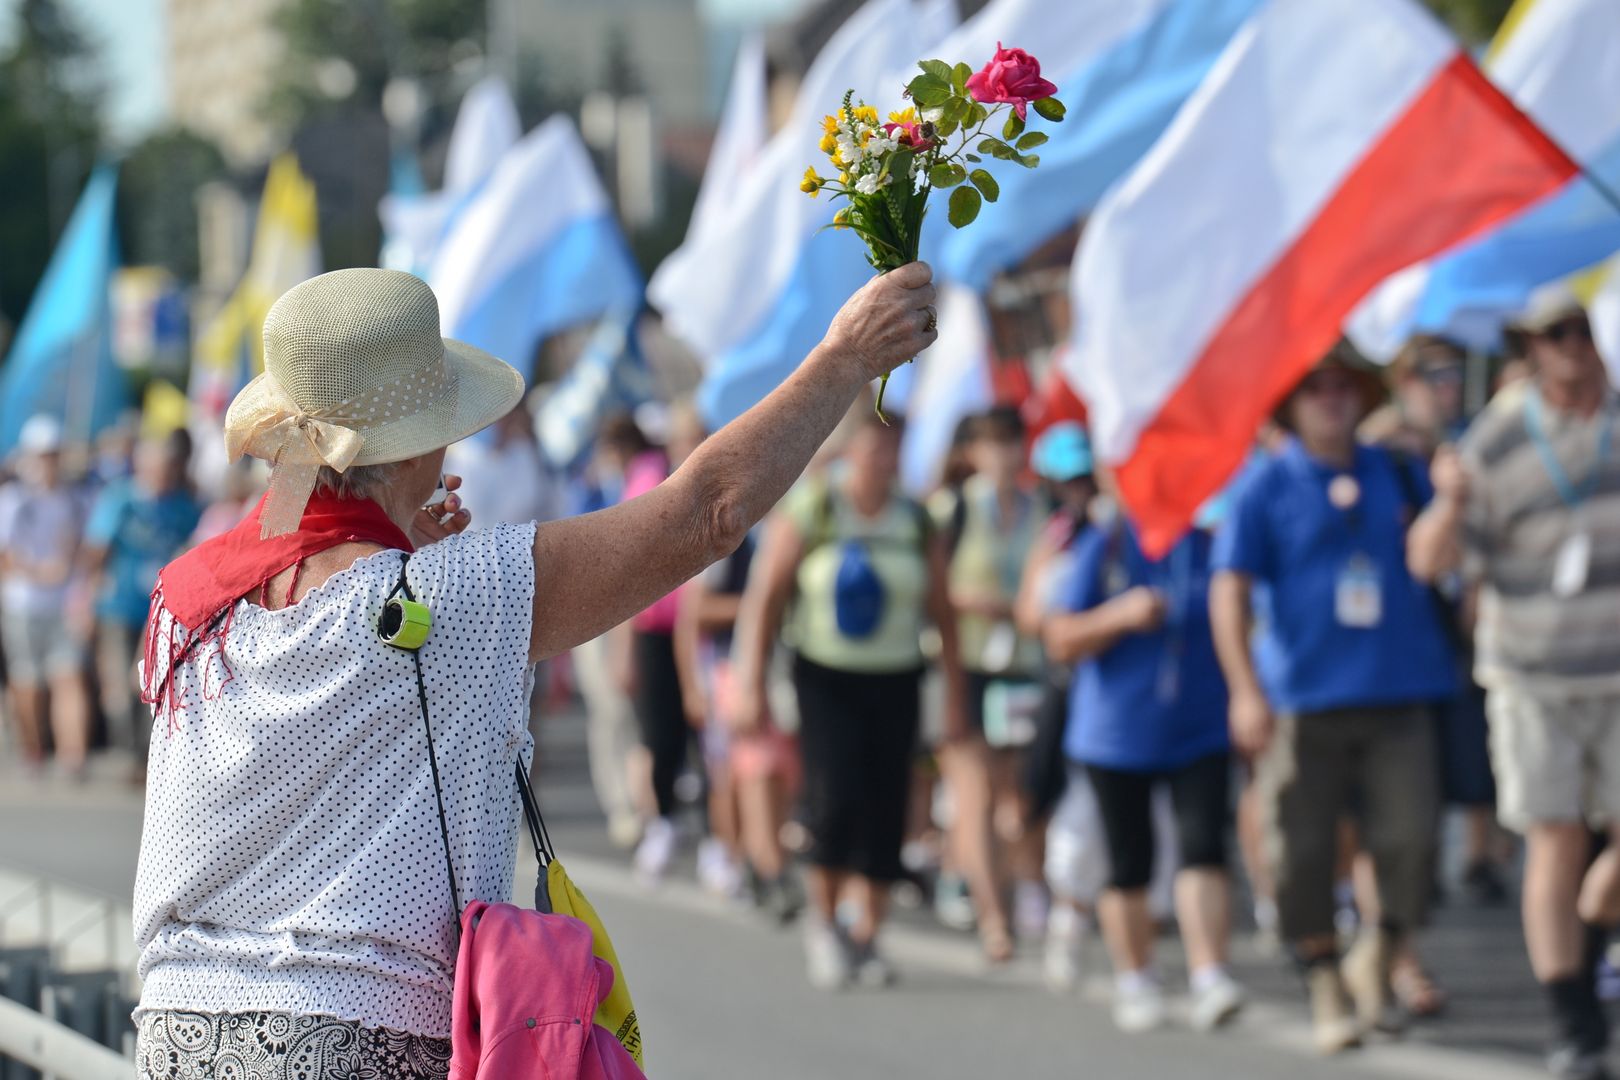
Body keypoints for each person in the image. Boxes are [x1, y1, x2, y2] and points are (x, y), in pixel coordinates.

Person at [132, 264, 937, 1077]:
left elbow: (307, 601)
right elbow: (707, 512)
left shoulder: (188, 595)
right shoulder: (450, 593)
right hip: (356, 1034)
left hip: (178, 1030)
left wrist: (403, 546)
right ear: (421, 444)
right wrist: (844, 358)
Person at [1210, 344, 1457, 1054]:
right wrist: (1243, 691)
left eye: (1344, 385)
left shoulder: (1399, 470)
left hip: (1400, 687)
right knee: (1301, 849)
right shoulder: (1265, 484)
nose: (1331, 397)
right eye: (1315, 387)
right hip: (1302, 697)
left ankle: (1379, 956)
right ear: (1292, 403)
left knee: (1410, 839)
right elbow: (1230, 590)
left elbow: (1442, 556)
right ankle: (1323, 977)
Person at [1408, 288, 1620, 1080]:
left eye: (1582, 330)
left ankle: (1599, 916)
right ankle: (1575, 1024)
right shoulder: (1493, 441)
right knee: (1556, 838)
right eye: (1555, 334)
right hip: (1533, 673)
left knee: (1600, 861)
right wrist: (1448, 501)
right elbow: (1429, 562)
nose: (1573, 345)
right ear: (1532, 347)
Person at [734, 405, 967, 990]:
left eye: (894, 451)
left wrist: (956, 694)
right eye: (874, 447)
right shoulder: (815, 509)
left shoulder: (915, 519)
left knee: (888, 806)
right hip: (826, 678)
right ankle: (826, 925)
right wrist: (751, 681)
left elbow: (944, 612)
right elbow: (765, 600)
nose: (883, 460)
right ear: (850, 449)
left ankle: (869, 934)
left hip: (896, 675)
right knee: (835, 800)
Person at [1044, 500, 1243, 1033]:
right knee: (1130, 860)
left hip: (1200, 727)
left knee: (1203, 847)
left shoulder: (1215, 539)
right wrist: (1121, 614)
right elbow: (1059, 636)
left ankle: (1209, 975)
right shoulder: (1105, 541)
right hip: (1117, 732)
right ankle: (1136, 979)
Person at [933, 406, 1047, 956]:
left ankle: (1014, 885)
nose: (1004, 455)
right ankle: (993, 915)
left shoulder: (1040, 510)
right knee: (974, 792)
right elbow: (929, 588)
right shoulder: (951, 509)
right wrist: (975, 602)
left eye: (1012, 441)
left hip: (1023, 667)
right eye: (991, 443)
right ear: (972, 452)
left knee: (1014, 795)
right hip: (966, 666)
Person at [83, 433, 202, 781]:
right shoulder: (121, 499)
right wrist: (87, 596)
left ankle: (145, 757)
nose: (165, 475)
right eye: (159, 468)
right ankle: (131, 748)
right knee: (124, 682)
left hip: (165, 609)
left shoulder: (184, 505)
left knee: (154, 682)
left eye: (170, 468)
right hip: (120, 605)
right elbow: (97, 548)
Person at [0, 416, 91, 778]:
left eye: (54, 454)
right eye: (42, 455)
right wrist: (39, 571)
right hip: (22, 605)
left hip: (64, 604)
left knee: (68, 676)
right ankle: (34, 749)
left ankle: (73, 757)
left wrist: (74, 575)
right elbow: (5, 555)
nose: (48, 462)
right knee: (28, 682)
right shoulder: (12, 499)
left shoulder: (75, 499)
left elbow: (87, 546)